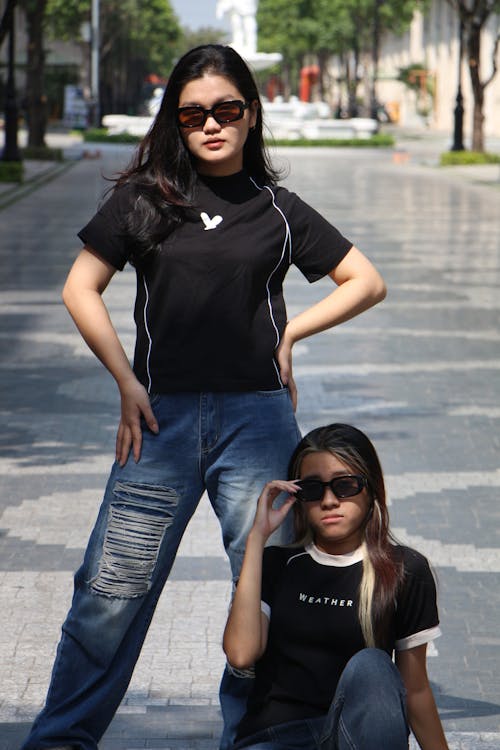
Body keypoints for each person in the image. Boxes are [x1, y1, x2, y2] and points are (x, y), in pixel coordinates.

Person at [21, 44, 386, 750]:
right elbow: (79, 288)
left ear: (250, 115)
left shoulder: (279, 210)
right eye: (193, 114)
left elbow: (365, 281)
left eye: (226, 110)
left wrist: (290, 335)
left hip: (257, 422)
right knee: (109, 592)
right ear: (176, 121)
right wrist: (126, 380)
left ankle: (263, 739)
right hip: (162, 421)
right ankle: (61, 739)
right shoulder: (144, 199)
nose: (211, 125)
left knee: (271, 593)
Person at [223, 423, 449, 750]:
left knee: (373, 667)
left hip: (354, 739)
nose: (329, 500)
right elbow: (241, 654)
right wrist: (257, 538)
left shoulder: (404, 571)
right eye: (313, 489)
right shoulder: (277, 564)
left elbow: (415, 690)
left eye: (344, 486)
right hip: (277, 739)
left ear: (371, 490)